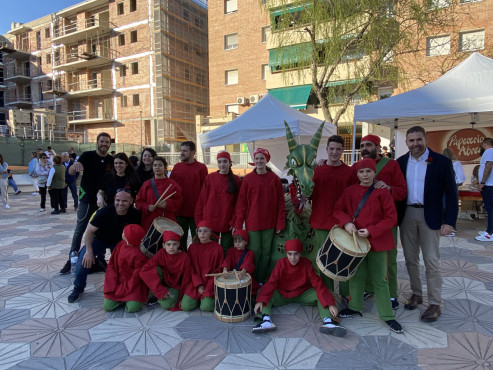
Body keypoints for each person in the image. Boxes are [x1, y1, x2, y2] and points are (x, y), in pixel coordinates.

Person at [396, 126, 458, 322]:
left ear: (426, 139)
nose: (415, 144)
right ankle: (416, 293)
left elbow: (451, 192)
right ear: (406, 142)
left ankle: (434, 302)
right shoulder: (400, 162)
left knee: (431, 261)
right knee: (410, 259)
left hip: (430, 216)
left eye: (418, 140)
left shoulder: (441, 162)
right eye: (411, 140)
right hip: (407, 215)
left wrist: (450, 221)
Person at [335, 158, 403, 334]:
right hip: (356, 242)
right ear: (357, 174)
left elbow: (391, 218)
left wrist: (372, 231)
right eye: (361, 172)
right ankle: (355, 306)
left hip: (378, 242)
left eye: (368, 171)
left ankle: (387, 316)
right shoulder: (349, 191)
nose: (365, 175)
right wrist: (347, 223)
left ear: (374, 173)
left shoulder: (382, 192)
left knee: (380, 279)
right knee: (356, 276)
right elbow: (338, 210)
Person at [252, 239, 346, 337]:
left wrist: (330, 304)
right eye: (290, 254)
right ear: (286, 254)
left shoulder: (306, 263)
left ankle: (328, 322)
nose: (293, 258)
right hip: (283, 294)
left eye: (296, 254)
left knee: (324, 294)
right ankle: (266, 321)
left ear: (301, 253)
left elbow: (317, 283)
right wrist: (260, 300)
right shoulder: (281, 264)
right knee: (262, 292)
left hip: (302, 294)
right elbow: (271, 283)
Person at [359, 134, 407, 310]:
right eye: (362, 145)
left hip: (386, 224)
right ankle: (369, 288)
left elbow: (402, 191)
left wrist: (388, 188)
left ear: (378, 147)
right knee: (364, 258)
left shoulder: (391, 165)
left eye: (369, 145)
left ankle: (392, 294)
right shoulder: (359, 166)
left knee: (388, 261)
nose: (365, 148)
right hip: (363, 224)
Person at [67, 189, 141, 303]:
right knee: (83, 260)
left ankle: (122, 286)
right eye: (118, 200)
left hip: (119, 242)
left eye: (124, 201)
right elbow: (89, 232)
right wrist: (88, 251)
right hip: (99, 239)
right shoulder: (104, 212)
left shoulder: (134, 214)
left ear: (131, 201)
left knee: (122, 263)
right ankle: (78, 288)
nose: (120, 203)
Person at [60, 132, 113, 275]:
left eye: (107, 142)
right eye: (102, 141)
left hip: (103, 201)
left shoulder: (111, 160)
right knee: (81, 227)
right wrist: (74, 165)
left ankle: (100, 259)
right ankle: (72, 257)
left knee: (101, 230)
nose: (104, 144)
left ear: (109, 144)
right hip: (87, 199)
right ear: (97, 142)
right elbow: (71, 172)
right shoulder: (87, 156)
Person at [309, 135, 357, 292]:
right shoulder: (317, 170)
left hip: (341, 223)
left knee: (343, 260)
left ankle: (345, 293)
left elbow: (353, 198)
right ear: (326, 149)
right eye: (331, 149)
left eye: (338, 149)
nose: (334, 152)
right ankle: (327, 293)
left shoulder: (349, 173)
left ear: (343, 150)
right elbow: (309, 193)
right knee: (324, 261)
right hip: (320, 221)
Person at [234, 148, 285, 283]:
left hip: (270, 223)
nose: (259, 161)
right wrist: (238, 224)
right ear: (254, 160)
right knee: (254, 252)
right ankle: (252, 278)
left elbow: (281, 202)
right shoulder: (248, 179)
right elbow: (241, 203)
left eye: (262, 158)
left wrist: (280, 223)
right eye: (256, 158)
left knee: (266, 253)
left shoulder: (274, 179)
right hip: (253, 222)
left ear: (266, 160)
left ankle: (261, 280)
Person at [195, 151, 242, 254]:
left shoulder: (236, 180)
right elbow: (201, 201)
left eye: (225, 162)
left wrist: (235, 222)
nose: (222, 164)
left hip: (227, 221)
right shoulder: (210, 178)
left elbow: (239, 204)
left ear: (230, 163)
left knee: (227, 249)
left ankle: (224, 269)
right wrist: (199, 222)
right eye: (219, 162)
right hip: (209, 221)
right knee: (211, 249)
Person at [140, 231, 192, 310]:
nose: (171, 247)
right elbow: (144, 270)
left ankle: (162, 296)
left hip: (176, 286)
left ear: (178, 244)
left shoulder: (185, 258)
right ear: (163, 245)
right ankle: (160, 293)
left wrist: (182, 297)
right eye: (168, 244)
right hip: (164, 281)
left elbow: (186, 280)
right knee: (153, 269)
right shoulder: (161, 253)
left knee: (166, 304)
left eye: (174, 244)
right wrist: (160, 290)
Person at [170, 141, 208, 249]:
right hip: (179, 212)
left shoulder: (201, 168)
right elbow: (171, 188)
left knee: (198, 240)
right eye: (181, 150)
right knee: (180, 241)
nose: (181, 153)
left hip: (196, 212)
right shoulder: (177, 167)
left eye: (185, 151)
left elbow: (205, 190)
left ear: (193, 152)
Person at [103, 224, 149, 313]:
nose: (122, 233)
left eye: (124, 232)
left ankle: (125, 299)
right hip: (117, 281)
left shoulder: (139, 255)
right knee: (107, 307)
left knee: (132, 308)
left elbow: (136, 278)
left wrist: (123, 289)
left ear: (128, 239)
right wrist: (113, 284)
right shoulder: (120, 245)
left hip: (133, 286)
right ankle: (122, 299)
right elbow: (111, 265)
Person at [181, 221, 224, 312]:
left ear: (210, 232)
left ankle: (205, 299)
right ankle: (199, 298)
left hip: (210, 282)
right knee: (185, 306)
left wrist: (209, 285)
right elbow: (190, 268)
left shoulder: (218, 248)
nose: (202, 234)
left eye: (205, 231)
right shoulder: (192, 247)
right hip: (195, 282)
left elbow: (219, 269)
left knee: (206, 307)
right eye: (199, 231)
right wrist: (198, 284)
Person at [135, 156, 183, 232]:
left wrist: (168, 204)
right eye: (155, 165)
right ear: (152, 167)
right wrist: (147, 207)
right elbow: (138, 202)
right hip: (150, 221)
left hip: (167, 221)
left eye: (160, 165)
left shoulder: (173, 185)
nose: (157, 167)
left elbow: (179, 202)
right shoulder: (147, 184)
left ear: (165, 167)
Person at [222, 229, 259, 296]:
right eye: (235, 241)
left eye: (240, 241)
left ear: (246, 242)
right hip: (232, 276)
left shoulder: (250, 253)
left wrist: (242, 272)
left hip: (244, 276)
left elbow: (248, 264)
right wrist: (225, 270)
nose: (237, 244)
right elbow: (227, 261)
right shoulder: (230, 251)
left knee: (253, 290)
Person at [442, 148, 465, 237]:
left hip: (443, 186)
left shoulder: (443, 163)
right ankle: (452, 226)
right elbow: (461, 176)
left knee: (444, 205)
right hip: (453, 185)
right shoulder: (456, 163)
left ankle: (444, 224)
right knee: (452, 205)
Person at [476, 138, 493, 242]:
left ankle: (489, 233)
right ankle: (489, 230)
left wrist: (482, 182)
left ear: (484, 144)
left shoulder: (489, 151)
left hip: (489, 185)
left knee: (490, 209)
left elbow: (489, 165)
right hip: (489, 185)